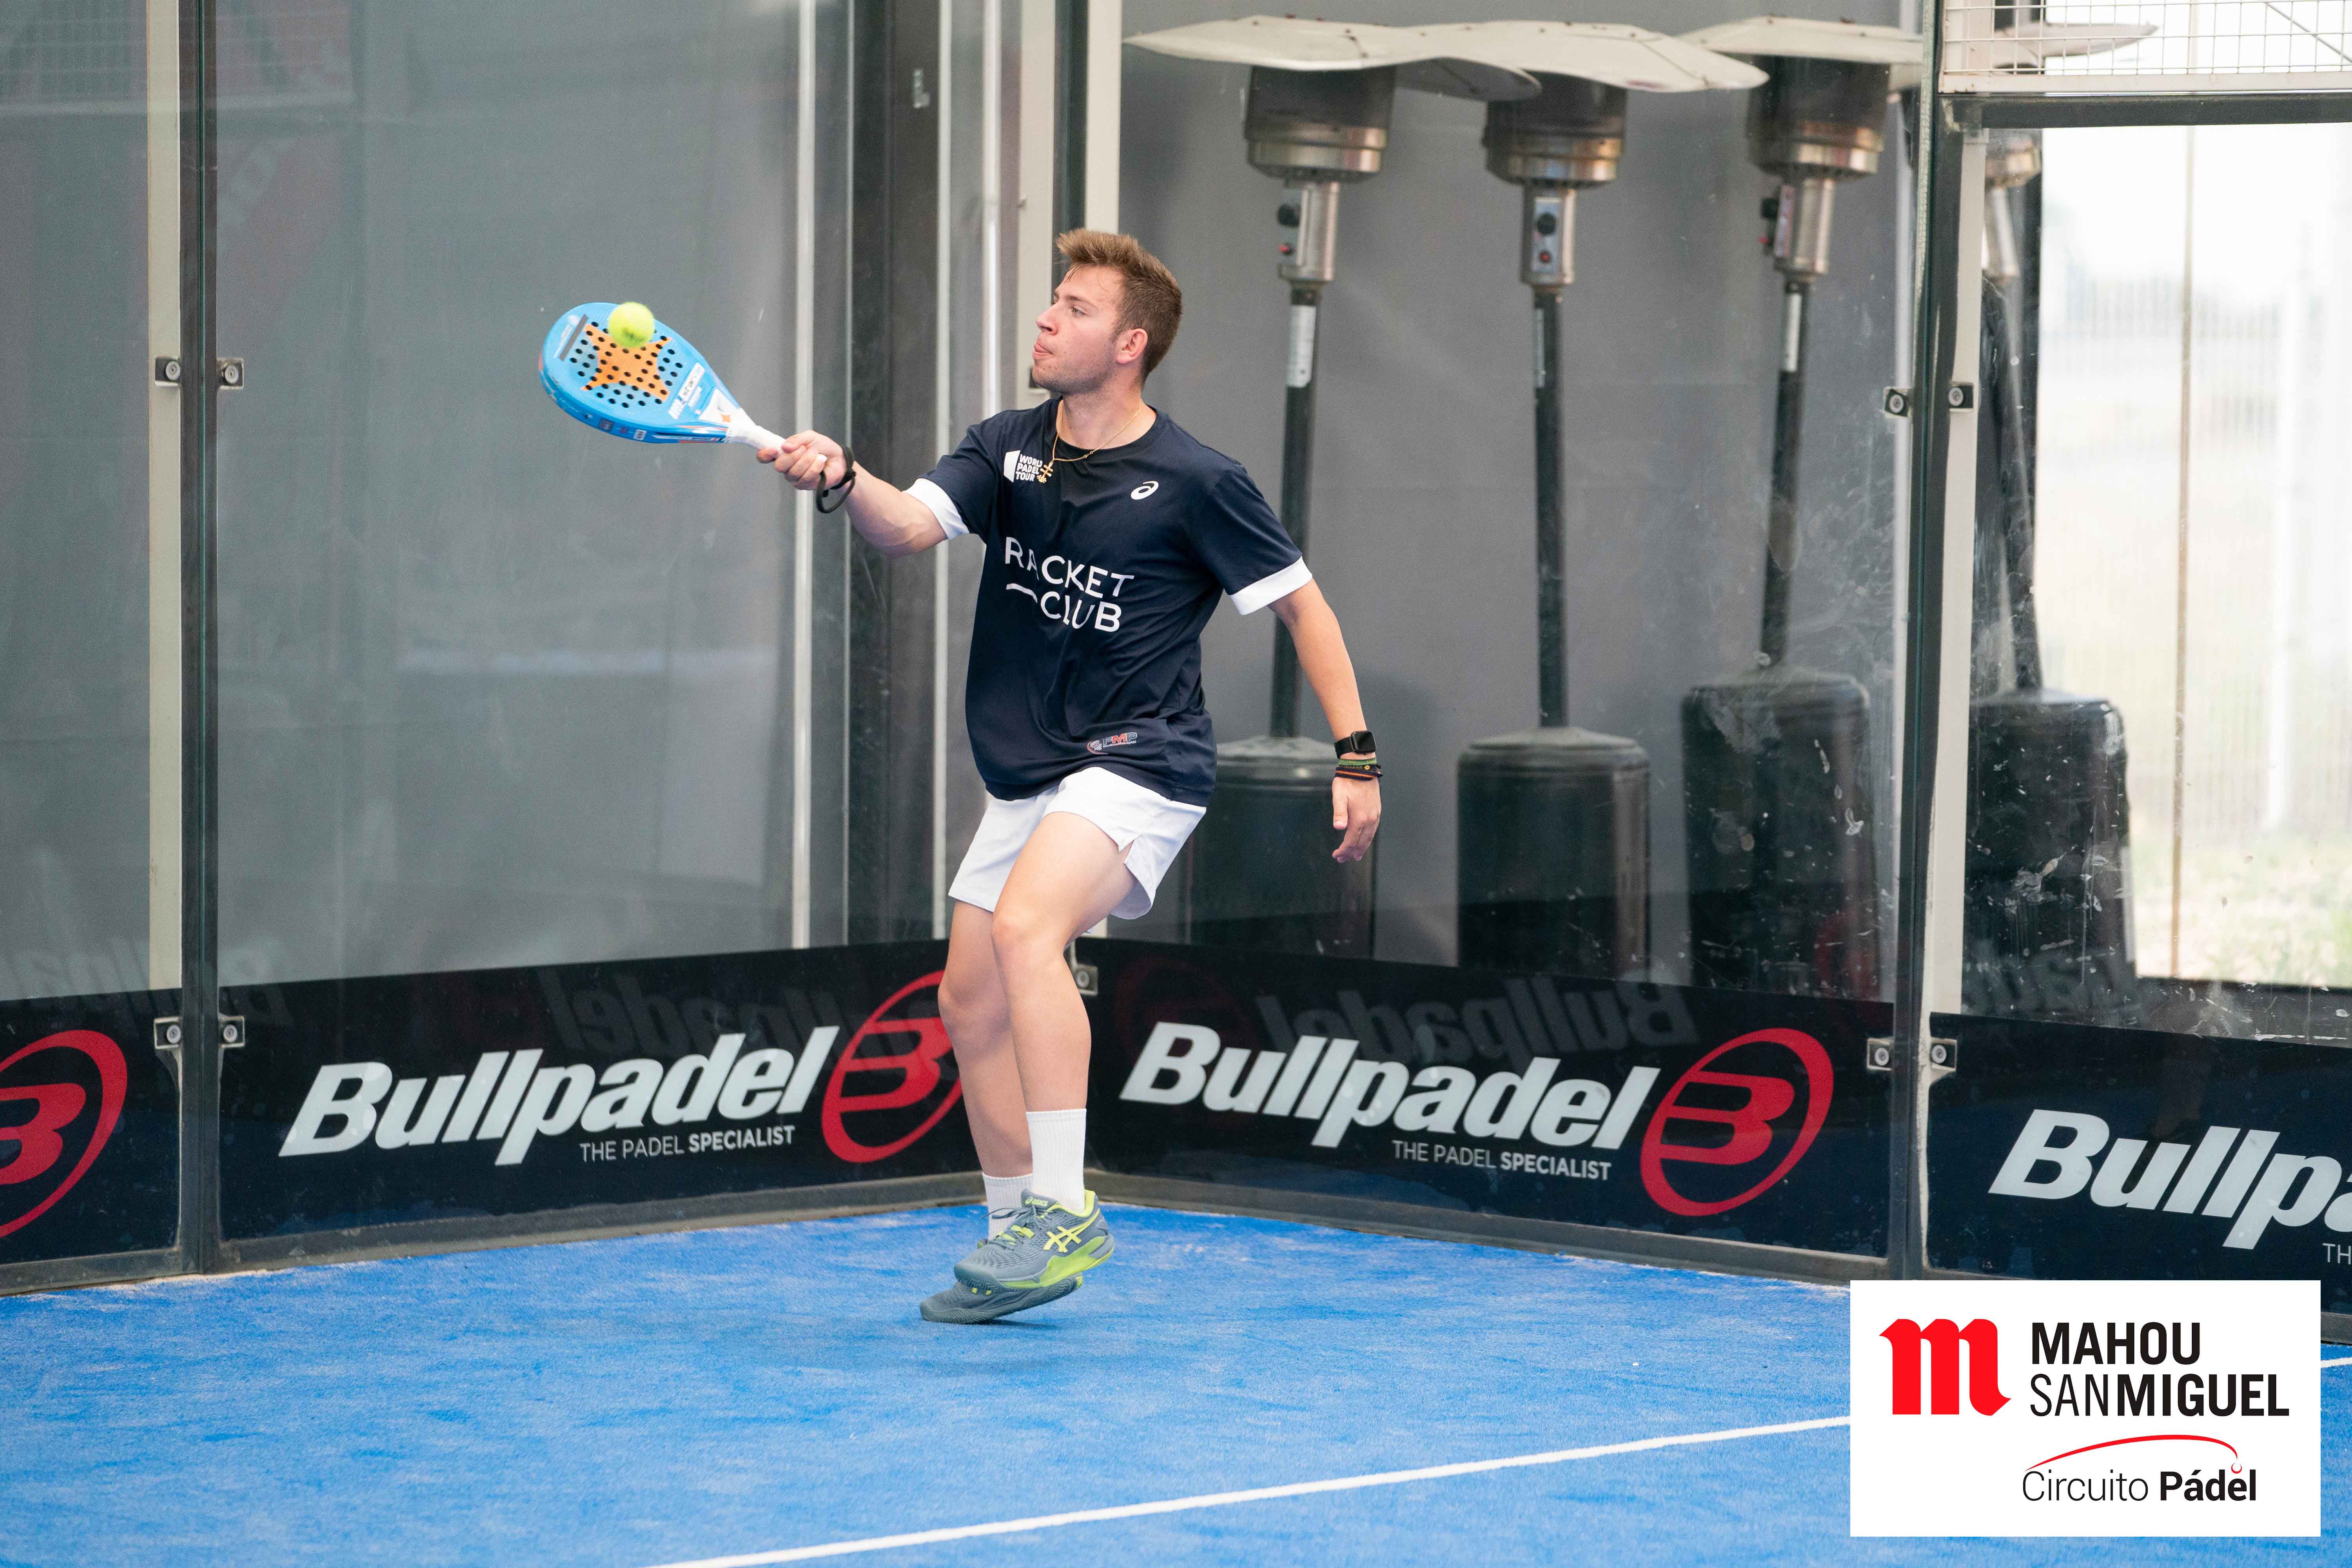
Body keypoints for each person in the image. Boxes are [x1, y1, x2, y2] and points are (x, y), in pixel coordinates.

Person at [759, 230, 1381, 1323]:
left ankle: (1062, 1205)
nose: (1048, 319)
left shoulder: (1198, 481)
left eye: (1076, 308)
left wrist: (1356, 755)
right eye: (1053, 300)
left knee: (1026, 931)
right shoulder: (1006, 446)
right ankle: (1016, 1237)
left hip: (1145, 759)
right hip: (1032, 772)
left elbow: (1302, 606)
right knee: (968, 1003)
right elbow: (906, 528)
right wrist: (846, 477)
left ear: (1130, 345)